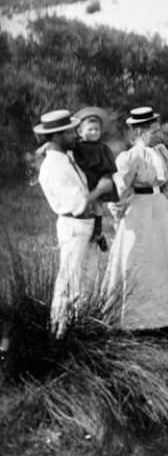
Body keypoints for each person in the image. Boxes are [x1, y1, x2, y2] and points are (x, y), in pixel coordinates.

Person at [104, 107, 168, 334]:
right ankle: (136, 322)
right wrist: (118, 215)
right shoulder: (130, 157)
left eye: (156, 126)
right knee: (139, 263)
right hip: (139, 214)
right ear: (140, 130)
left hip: (159, 211)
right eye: (152, 128)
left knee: (162, 264)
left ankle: (165, 319)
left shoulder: (162, 153)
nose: (156, 131)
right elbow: (119, 190)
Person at [33, 109, 114, 336]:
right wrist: (101, 190)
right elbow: (78, 203)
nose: (75, 135)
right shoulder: (54, 167)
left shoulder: (66, 159)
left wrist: (97, 226)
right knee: (68, 280)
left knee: (86, 279)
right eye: (70, 131)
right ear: (57, 136)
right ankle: (58, 332)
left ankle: (80, 328)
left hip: (85, 225)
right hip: (73, 225)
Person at [70, 106, 119, 252]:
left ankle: (98, 232)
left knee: (98, 205)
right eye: (90, 130)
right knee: (85, 206)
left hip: (98, 179)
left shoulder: (102, 148)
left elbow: (110, 166)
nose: (94, 132)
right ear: (80, 132)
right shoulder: (77, 146)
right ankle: (87, 232)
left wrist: (107, 177)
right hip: (85, 179)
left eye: (97, 130)